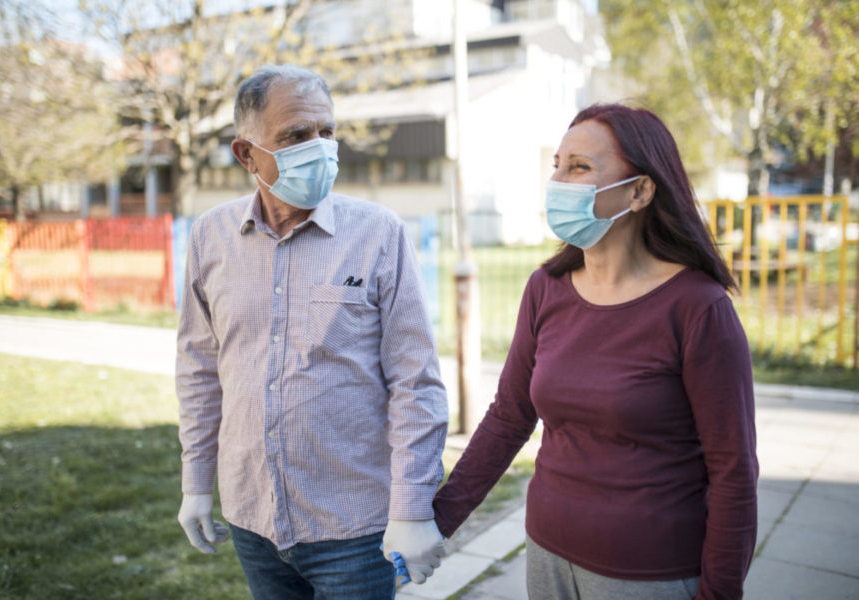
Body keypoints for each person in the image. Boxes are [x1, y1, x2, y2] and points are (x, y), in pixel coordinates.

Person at [432, 103, 759, 599]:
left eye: (580, 167)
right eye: (557, 166)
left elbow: (733, 471)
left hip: (649, 571)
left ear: (640, 191)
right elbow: (508, 417)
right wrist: (436, 522)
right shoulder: (547, 288)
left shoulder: (698, 309)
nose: (558, 182)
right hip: (546, 555)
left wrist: (720, 592)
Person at [176, 64, 448, 600]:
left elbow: (415, 381)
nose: (319, 148)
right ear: (247, 154)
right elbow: (200, 369)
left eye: (326, 132)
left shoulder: (378, 234)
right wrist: (195, 483)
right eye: (296, 136)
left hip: (355, 529)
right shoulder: (211, 238)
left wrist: (413, 508)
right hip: (253, 516)